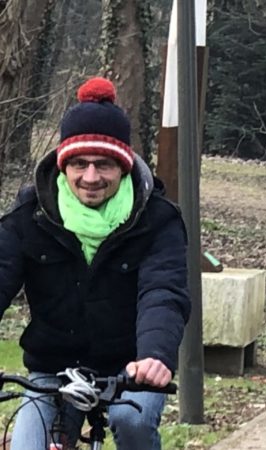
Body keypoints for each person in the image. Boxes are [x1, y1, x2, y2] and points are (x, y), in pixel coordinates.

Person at [0, 77, 189, 449]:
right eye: (80, 164)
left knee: (131, 422)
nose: (91, 177)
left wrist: (154, 355)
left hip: (131, 366)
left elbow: (163, 291)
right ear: (62, 165)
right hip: (53, 366)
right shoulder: (30, 216)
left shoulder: (157, 219)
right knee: (27, 444)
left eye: (104, 164)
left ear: (123, 166)